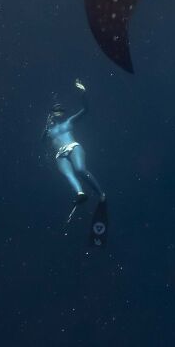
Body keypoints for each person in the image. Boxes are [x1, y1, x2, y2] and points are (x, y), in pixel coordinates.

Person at [44, 81, 109, 244]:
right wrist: (46, 125)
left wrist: (83, 94)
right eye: (55, 111)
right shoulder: (49, 130)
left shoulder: (69, 122)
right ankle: (80, 193)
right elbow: (41, 140)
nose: (58, 112)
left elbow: (85, 110)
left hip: (73, 147)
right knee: (68, 174)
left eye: (60, 110)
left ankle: (101, 194)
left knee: (80, 169)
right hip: (60, 154)